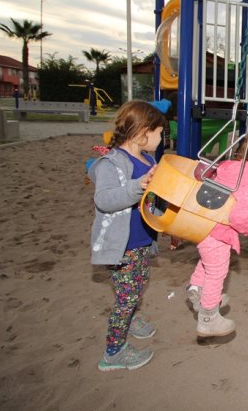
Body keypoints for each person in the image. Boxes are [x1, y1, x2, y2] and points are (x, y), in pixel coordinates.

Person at [186, 126, 248, 337]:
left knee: (207, 261)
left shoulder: (230, 166)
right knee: (217, 271)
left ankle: (197, 291)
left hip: (203, 223)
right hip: (218, 233)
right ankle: (208, 318)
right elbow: (239, 218)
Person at [88, 100, 167, 371]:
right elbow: (105, 199)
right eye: (159, 133)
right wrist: (138, 185)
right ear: (142, 132)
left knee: (138, 283)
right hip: (121, 245)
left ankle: (131, 319)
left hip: (141, 240)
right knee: (127, 296)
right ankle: (113, 352)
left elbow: (152, 198)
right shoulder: (112, 164)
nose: (161, 138)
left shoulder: (148, 158)